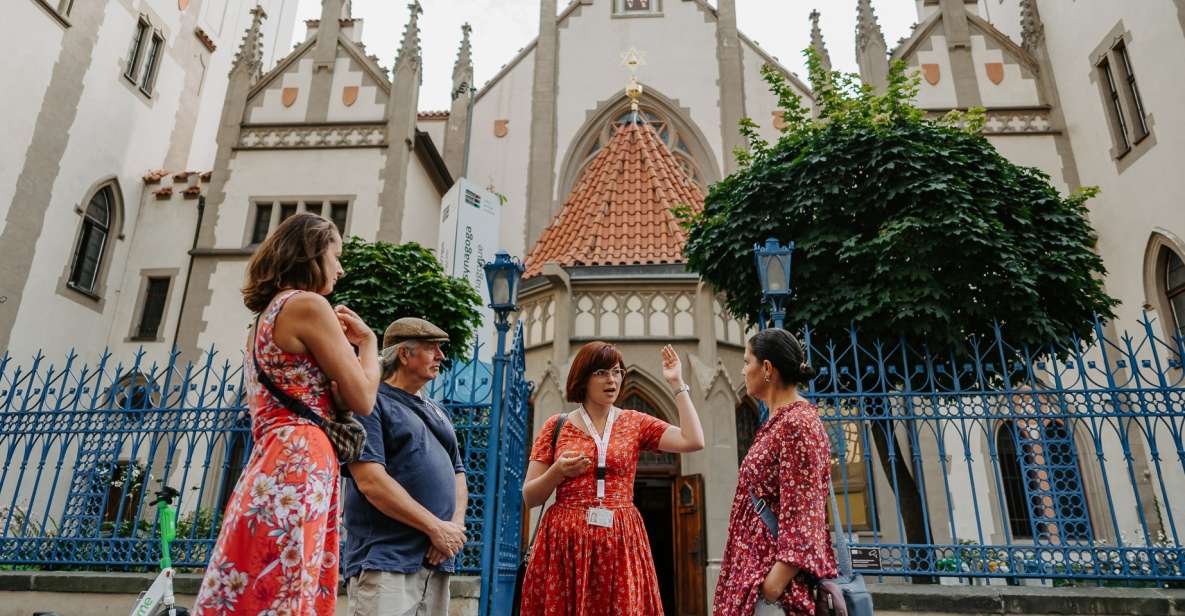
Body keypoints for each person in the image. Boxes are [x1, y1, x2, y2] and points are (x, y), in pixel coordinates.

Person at [194, 213, 381, 616]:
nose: (341, 268)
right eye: (337, 256)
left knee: (258, 575)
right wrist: (367, 344)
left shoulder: (264, 318)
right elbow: (364, 398)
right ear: (314, 254)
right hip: (303, 459)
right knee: (289, 581)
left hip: (270, 458)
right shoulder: (309, 305)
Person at [519, 341, 706, 615]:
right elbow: (530, 497)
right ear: (583, 378)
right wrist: (557, 472)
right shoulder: (555, 426)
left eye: (617, 372)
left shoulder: (634, 422)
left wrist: (677, 384)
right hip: (566, 541)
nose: (612, 380)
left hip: (620, 537)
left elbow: (693, 440)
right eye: (602, 373)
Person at [342, 317, 468, 616]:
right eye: (431, 348)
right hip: (386, 560)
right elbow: (371, 482)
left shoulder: (437, 410)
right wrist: (435, 527)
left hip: (436, 561)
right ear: (404, 354)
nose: (441, 356)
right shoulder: (370, 404)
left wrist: (451, 529)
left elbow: (458, 471)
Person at [712, 329, 838, 616]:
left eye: (747, 362)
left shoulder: (798, 424)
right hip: (756, 579)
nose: (742, 370)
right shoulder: (779, 421)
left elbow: (805, 516)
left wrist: (772, 586)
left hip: (774, 593)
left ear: (767, 368)